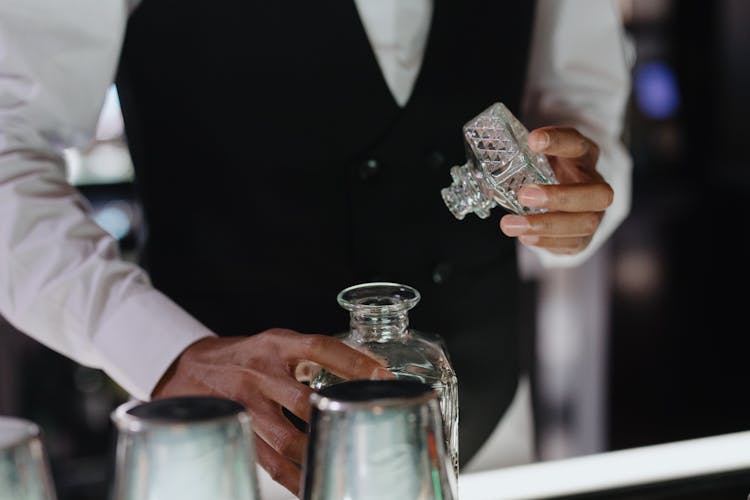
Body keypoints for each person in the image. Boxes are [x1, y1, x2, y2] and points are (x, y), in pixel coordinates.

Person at [0, 0, 632, 496]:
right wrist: (164, 352)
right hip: (229, 453)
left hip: (482, 438)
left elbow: (586, 113)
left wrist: (572, 201)